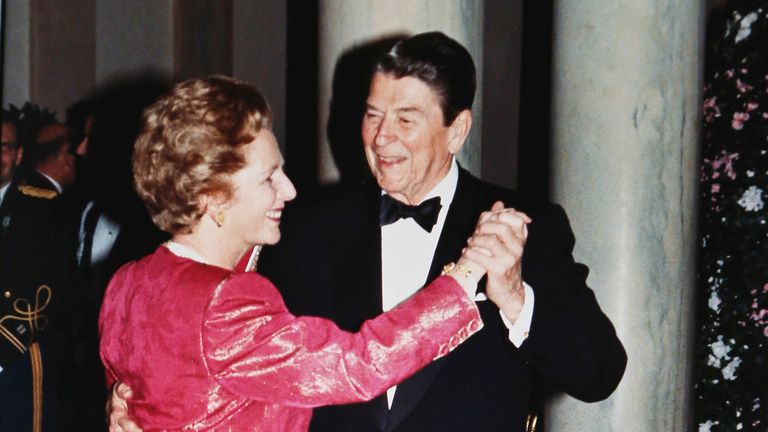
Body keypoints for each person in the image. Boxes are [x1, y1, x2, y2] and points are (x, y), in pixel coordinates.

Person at [110, 32, 627, 432]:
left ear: (458, 129)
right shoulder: (298, 224)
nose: (382, 137)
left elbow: (600, 372)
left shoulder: (520, 223)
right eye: (373, 114)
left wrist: (515, 298)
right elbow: (195, 328)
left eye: (406, 118)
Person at [0, 116, 71, 431]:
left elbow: (42, 285)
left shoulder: (41, 208)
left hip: (14, 353)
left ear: (17, 155)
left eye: (2, 147)